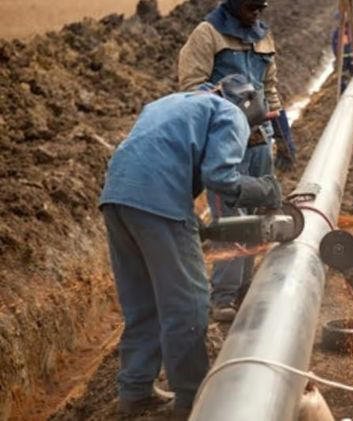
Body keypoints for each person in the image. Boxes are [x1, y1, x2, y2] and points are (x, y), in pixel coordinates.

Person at [99, 74, 283, 416]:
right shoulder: (231, 113)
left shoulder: (173, 102)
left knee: (143, 302)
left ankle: (135, 390)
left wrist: (191, 221)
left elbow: (159, 157)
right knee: (189, 304)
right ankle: (192, 398)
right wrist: (265, 190)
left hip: (116, 197)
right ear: (248, 106)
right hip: (157, 200)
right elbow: (220, 177)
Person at [178, 0, 295, 322]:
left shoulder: (262, 36)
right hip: (226, 144)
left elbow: (270, 89)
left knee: (257, 219)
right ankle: (223, 297)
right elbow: (190, 89)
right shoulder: (208, 35)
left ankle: (243, 289)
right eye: (250, 7)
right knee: (230, 220)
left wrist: (283, 135)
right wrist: (231, 99)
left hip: (260, 141)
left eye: (260, 8)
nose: (256, 14)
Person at [332, 13, 353, 91]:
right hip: (343, 59)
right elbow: (334, 46)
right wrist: (337, 56)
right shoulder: (337, 33)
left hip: (350, 57)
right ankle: (344, 91)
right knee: (343, 77)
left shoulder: (349, 31)